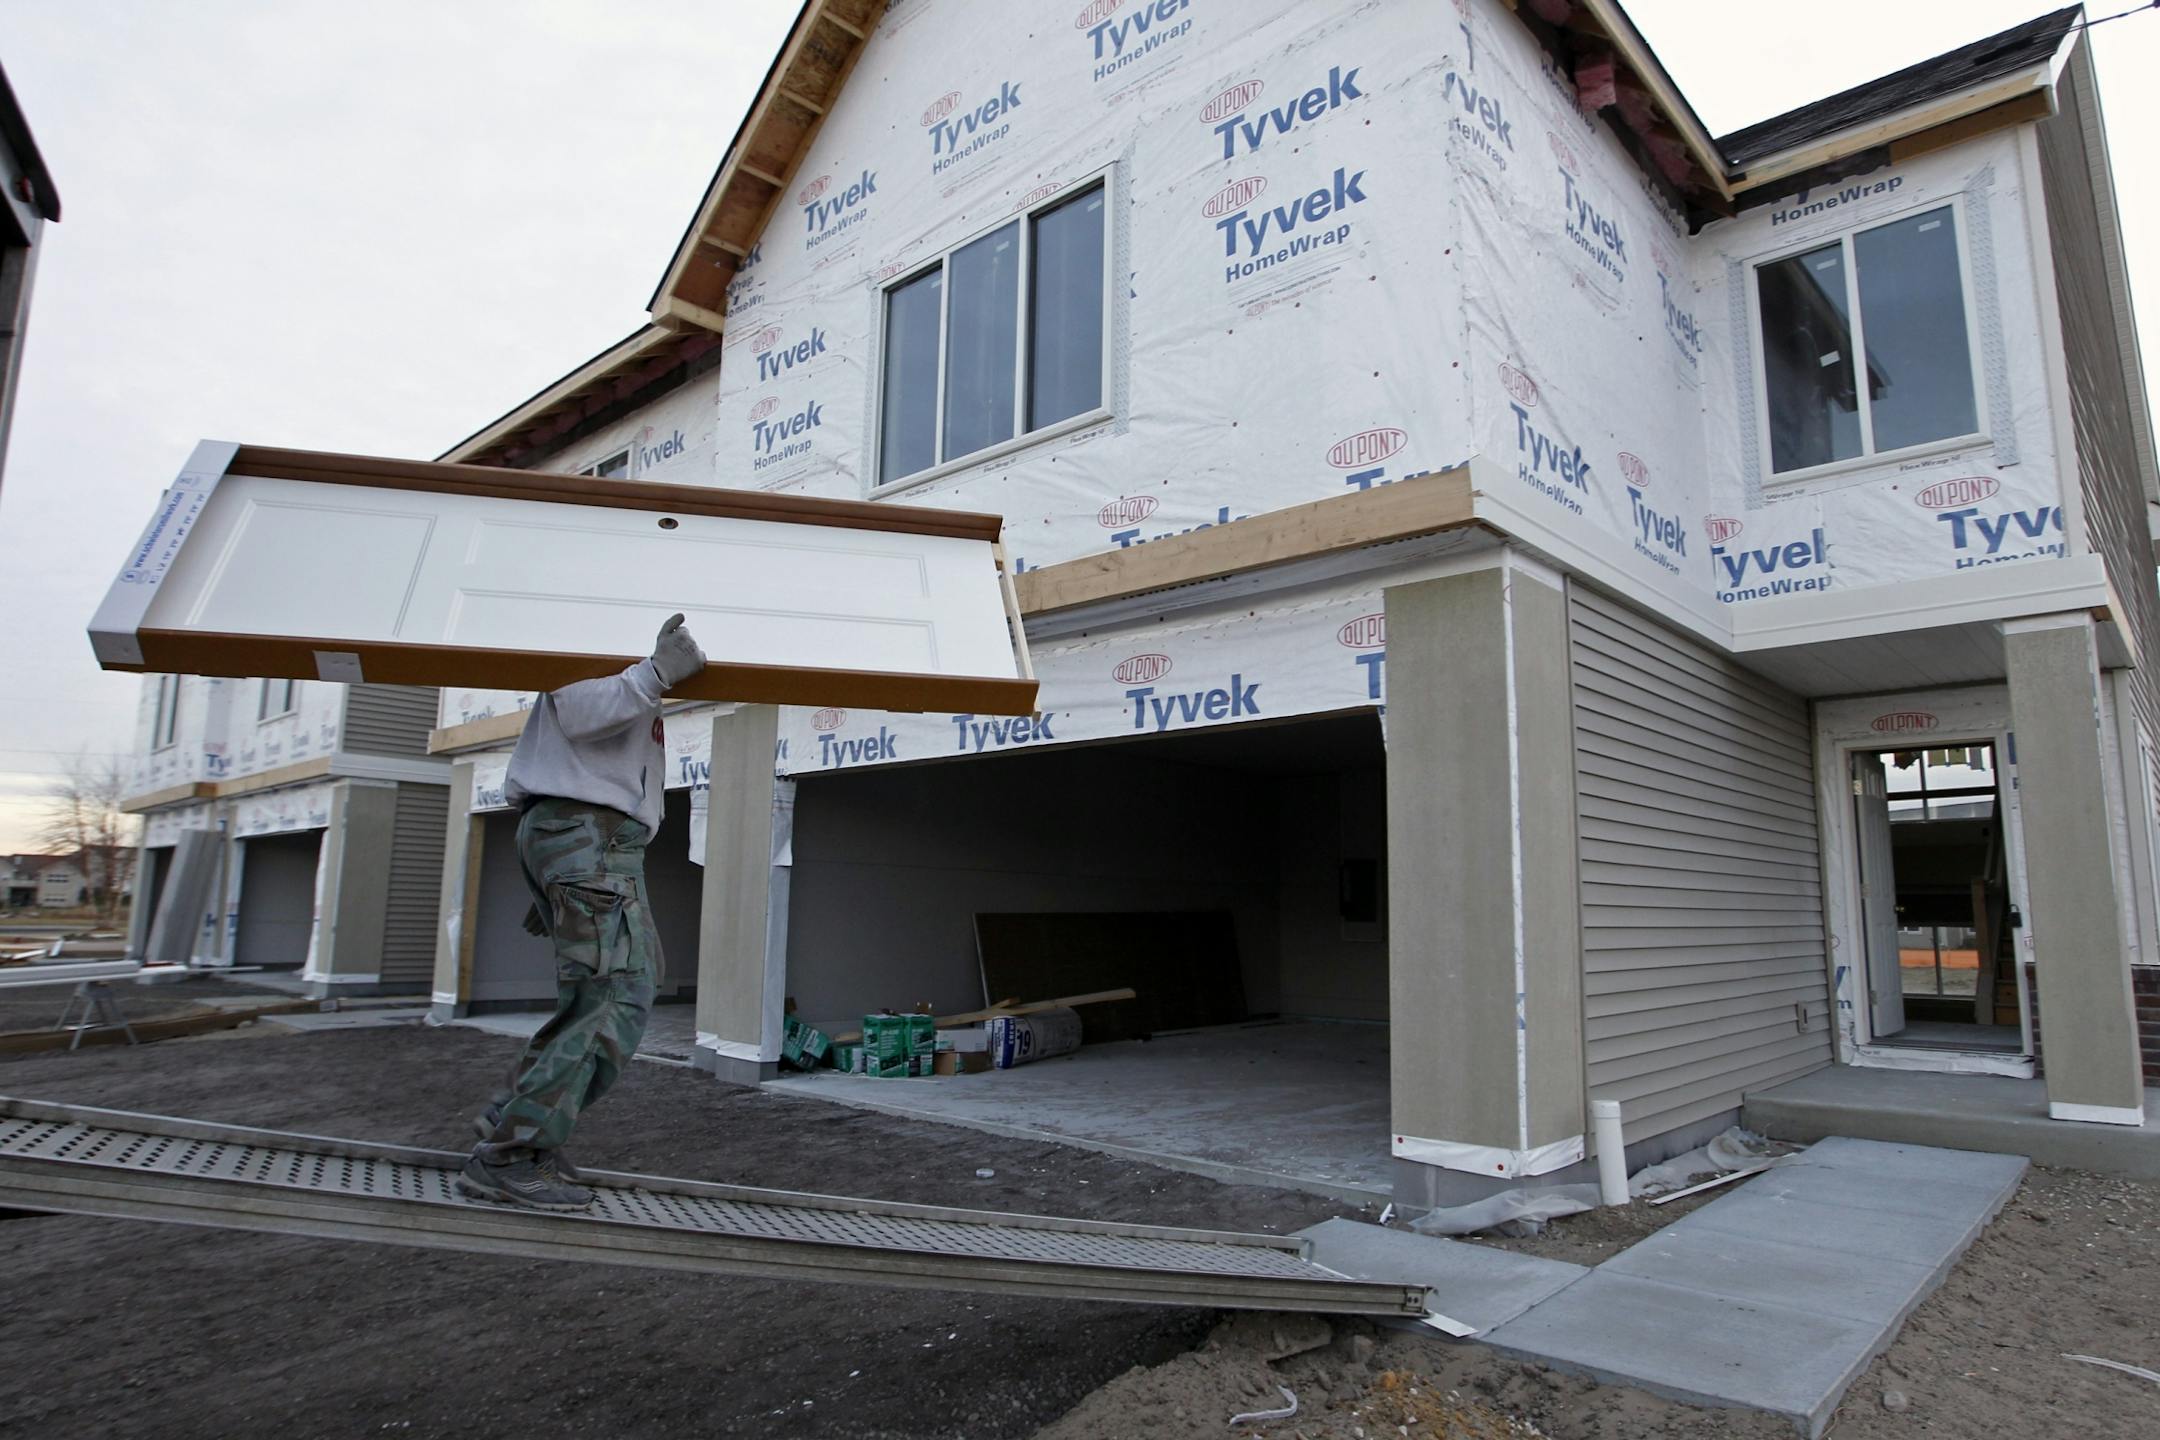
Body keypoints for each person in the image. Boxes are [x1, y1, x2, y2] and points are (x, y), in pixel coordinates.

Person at [456, 613, 705, 1211]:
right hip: (586, 835)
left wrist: (561, 876)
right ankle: (510, 1152)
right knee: (615, 998)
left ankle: (513, 1124)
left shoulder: (611, 649)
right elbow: (575, 708)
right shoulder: (591, 630)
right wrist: (653, 674)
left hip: (589, 842)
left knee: (607, 994)